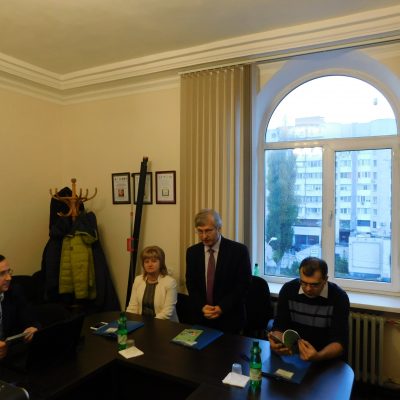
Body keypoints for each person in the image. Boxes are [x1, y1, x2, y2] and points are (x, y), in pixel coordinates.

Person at [268, 256, 350, 361]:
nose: (308, 289)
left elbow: (339, 342)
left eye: (314, 285)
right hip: (294, 355)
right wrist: (276, 341)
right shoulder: (288, 290)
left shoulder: (339, 297)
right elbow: (279, 326)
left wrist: (318, 356)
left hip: (325, 358)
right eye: (303, 283)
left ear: (325, 279)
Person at [185, 209, 252, 333]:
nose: (204, 236)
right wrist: (202, 306)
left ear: (219, 228)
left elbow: (243, 285)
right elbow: (191, 284)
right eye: (200, 231)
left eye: (208, 231)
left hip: (230, 318)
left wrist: (221, 307)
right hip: (202, 317)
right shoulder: (192, 252)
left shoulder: (238, 251)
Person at [0, 254, 40, 360]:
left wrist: (33, 328)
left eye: (9, 272)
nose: (9, 278)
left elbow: (31, 320)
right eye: (2, 274)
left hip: (11, 354)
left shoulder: (14, 291)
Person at [126, 246, 178, 322]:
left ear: (161, 263)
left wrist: (149, 324)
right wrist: (127, 321)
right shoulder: (138, 280)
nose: (150, 264)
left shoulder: (170, 282)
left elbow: (167, 313)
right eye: (146, 261)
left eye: (154, 261)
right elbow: (132, 307)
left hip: (164, 324)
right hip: (141, 323)